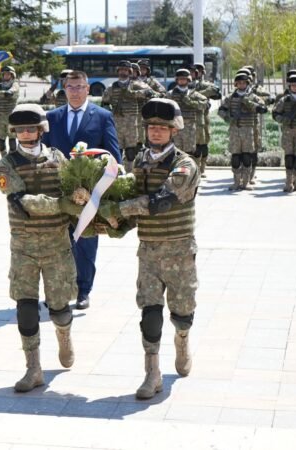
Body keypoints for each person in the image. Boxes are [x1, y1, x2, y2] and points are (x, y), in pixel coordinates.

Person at [98, 98, 200, 400]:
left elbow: (158, 202)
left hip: (179, 250)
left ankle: (182, 341)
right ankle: (152, 372)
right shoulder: (140, 161)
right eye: (152, 127)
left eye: (162, 127)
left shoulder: (185, 165)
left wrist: (117, 209)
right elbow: (135, 202)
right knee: (149, 310)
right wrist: (110, 223)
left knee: (182, 311)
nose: (156, 131)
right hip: (149, 251)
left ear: (174, 131)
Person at [0, 103, 79, 392]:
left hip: (57, 245)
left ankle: (64, 336)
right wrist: (62, 205)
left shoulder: (58, 158)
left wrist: (82, 198)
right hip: (24, 247)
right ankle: (33, 368)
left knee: (59, 307)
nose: (26, 133)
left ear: (41, 129)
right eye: (20, 129)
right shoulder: (7, 164)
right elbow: (21, 200)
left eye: (31, 128)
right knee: (26, 307)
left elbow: (73, 189)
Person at [42, 70, 120, 310]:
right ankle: (60, 289)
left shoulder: (102, 116)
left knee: (85, 243)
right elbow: (42, 152)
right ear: (64, 90)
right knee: (57, 243)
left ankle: (83, 290)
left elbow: (113, 155)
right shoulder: (52, 117)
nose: (75, 91)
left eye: (79, 87)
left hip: (88, 194)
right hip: (56, 191)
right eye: (70, 87)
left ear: (88, 89)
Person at [218, 71, 266, 191]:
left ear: (247, 83)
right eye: (239, 83)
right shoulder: (230, 97)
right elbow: (221, 110)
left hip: (248, 131)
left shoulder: (253, 97)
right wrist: (228, 117)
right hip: (235, 130)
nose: (241, 85)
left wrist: (249, 103)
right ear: (236, 84)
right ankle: (236, 182)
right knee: (235, 157)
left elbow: (263, 108)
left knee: (246, 157)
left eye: (243, 83)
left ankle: (246, 182)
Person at [102, 60, 152, 173]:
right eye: (121, 70)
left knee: (131, 153)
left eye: (125, 70)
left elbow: (151, 94)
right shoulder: (111, 87)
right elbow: (104, 103)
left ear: (129, 72)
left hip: (132, 125)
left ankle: (131, 175)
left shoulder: (137, 85)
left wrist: (133, 94)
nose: (123, 72)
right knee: (116, 151)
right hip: (116, 125)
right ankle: (118, 174)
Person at [166, 68, 208, 168]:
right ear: (177, 80)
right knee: (176, 152)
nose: (182, 81)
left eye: (184, 79)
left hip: (190, 128)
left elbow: (205, 105)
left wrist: (191, 102)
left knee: (191, 153)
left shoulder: (193, 94)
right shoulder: (170, 94)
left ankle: (192, 174)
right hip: (175, 128)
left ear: (188, 80)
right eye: (180, 79)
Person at [190, 63, 222, 178]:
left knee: (203, 145)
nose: (194, 74)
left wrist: (195, 94)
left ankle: (202, 168)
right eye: (192, 71)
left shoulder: (205, 85)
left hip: (202, 118)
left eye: (197, 71)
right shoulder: (185, 84)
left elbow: (215, 91)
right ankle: (193, 168)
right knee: (191, 146)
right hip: (188, 119)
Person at [0, 66, 20, 156]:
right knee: (1, 138)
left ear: (12, 75)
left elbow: (10, 92)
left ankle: (12, 157)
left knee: (12, 138)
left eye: (8, 74)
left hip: (11, 116)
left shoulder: (14, 85)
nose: (6, 76)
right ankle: (3, 157)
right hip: (0, 116)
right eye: (4, 74)